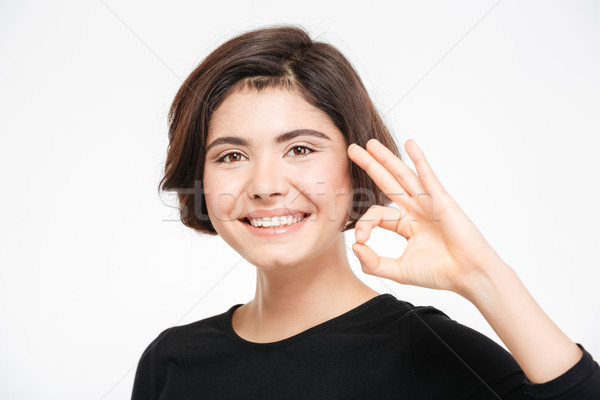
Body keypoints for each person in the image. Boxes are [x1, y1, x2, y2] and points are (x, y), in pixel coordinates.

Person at [131, 25, 600, 399]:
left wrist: (482, 274)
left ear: (356, 166)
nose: (266, 186)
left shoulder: (427, 351)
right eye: (231, 156)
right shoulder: (170, 361)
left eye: (299, 148)